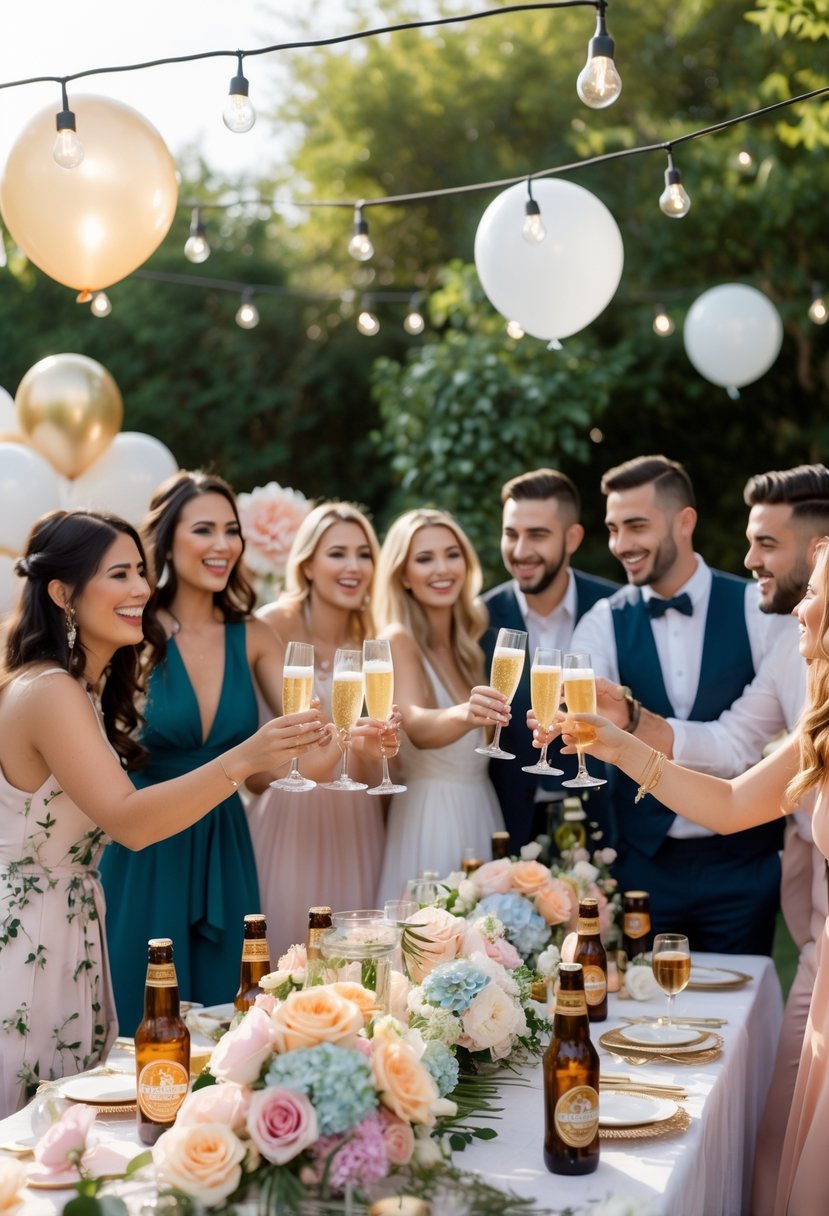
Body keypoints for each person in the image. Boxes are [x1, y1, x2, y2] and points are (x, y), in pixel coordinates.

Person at [0, 508, 322, 1116]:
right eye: (119, 574)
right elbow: (131, 821)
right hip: (25, 946)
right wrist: (240, 758)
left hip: (68, 935)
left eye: (141, 573)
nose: (142, 590)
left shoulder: (81, 692)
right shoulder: (49, 692)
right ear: (63, 593)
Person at [559, 535, 829, 1216]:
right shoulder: (817, 728)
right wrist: (617, 744)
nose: (798, 610)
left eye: (814, 595)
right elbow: (731, 802)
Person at [100, 472, 322, 1030]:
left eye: (232, 530)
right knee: (140, 1020)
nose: (223, 545)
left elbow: (294, 763)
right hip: (146, 845)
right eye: (204, 530)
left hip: (225, 847)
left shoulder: (253, 635)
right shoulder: (130, 631)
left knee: (231, 1026)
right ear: (167, 541)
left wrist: (353, 735)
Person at [570, 455, 792, 954]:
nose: (621, 544)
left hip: (743, 863)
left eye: (636, 525)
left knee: (740, 1006)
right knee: (643, 1016)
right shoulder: (602, 622)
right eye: (612, 528)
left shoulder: (759, 611)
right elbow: (580, 686)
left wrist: (635, 723)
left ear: (684, 521)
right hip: (645, 864)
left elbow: (744, 745)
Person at [247, 502, 396, 957]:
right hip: (291, 817)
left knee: (351, 963)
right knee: (288, 961)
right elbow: (256, 762)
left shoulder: (376, 639)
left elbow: (374, 775)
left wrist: (378, 749)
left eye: (364, 554)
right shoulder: (270, 626)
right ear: (307, 563)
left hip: (356, 822)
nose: (354, 567)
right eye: (338, 554)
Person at [374, 508, 511, 902]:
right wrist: (465, 713)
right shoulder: (398, 638)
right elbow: (415, 723)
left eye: (452, 554)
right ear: (402, 574)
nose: (442, 569)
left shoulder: (469, 645)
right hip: (431, 818)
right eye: (424, 558)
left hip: (480, 811)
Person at [482, 469, 617, 851]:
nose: (521, 550)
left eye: (537, 535)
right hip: (509, 825)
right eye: (511, 534)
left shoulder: (614, 608)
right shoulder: (479, 619)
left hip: (606, 822)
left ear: (572, 538)